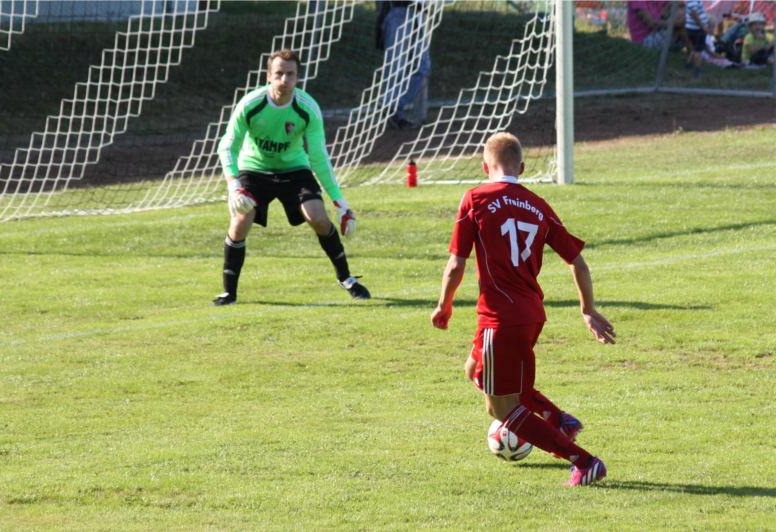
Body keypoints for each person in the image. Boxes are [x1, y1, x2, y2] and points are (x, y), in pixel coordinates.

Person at [431, 132, 616, 486]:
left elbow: (456, 264)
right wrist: (587, 310)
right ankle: (556, 418)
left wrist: (444, 305)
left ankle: (584, 461)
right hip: (530, 314)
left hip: (500, 318)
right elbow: (578, 263)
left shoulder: (475, 198)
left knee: (501, 408)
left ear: (485, 166)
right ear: (523, 167)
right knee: (473, 369)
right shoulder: (538, 205)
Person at [214, 49, 371, 306]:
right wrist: (234, 185)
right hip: (254, 170)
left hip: (295, 170)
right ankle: (228, 293)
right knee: (240, 222)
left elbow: (319, 158)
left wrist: (341, 203)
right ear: (268, 76)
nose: (284, 79)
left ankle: (346, 278)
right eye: (279, 74)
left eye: (290, 74)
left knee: (318, 219)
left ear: (298, 77)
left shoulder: (308, 108)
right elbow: (227, 145)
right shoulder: (250, 104)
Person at [376, 0, 432, 130]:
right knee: (395, 69)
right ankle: (393, 112)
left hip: (415, 16)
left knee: (423, 66)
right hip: (399, 13)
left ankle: (392, 106)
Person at [627, 0, 693, 54]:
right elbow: (651, 23)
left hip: (657, 34)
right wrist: (672, 23)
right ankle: (692, 53)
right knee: (681, 19)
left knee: (682, 16)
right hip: (644, 41)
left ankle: (692, 53)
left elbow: (678, 2)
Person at [684, 0, 712, 75]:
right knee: (699, 50)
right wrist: (703, 27)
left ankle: (689, 64)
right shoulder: (693, 1)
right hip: (696, 29)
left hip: (695, 28)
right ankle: (697, 68)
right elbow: (695, 14)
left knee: (696, 48)